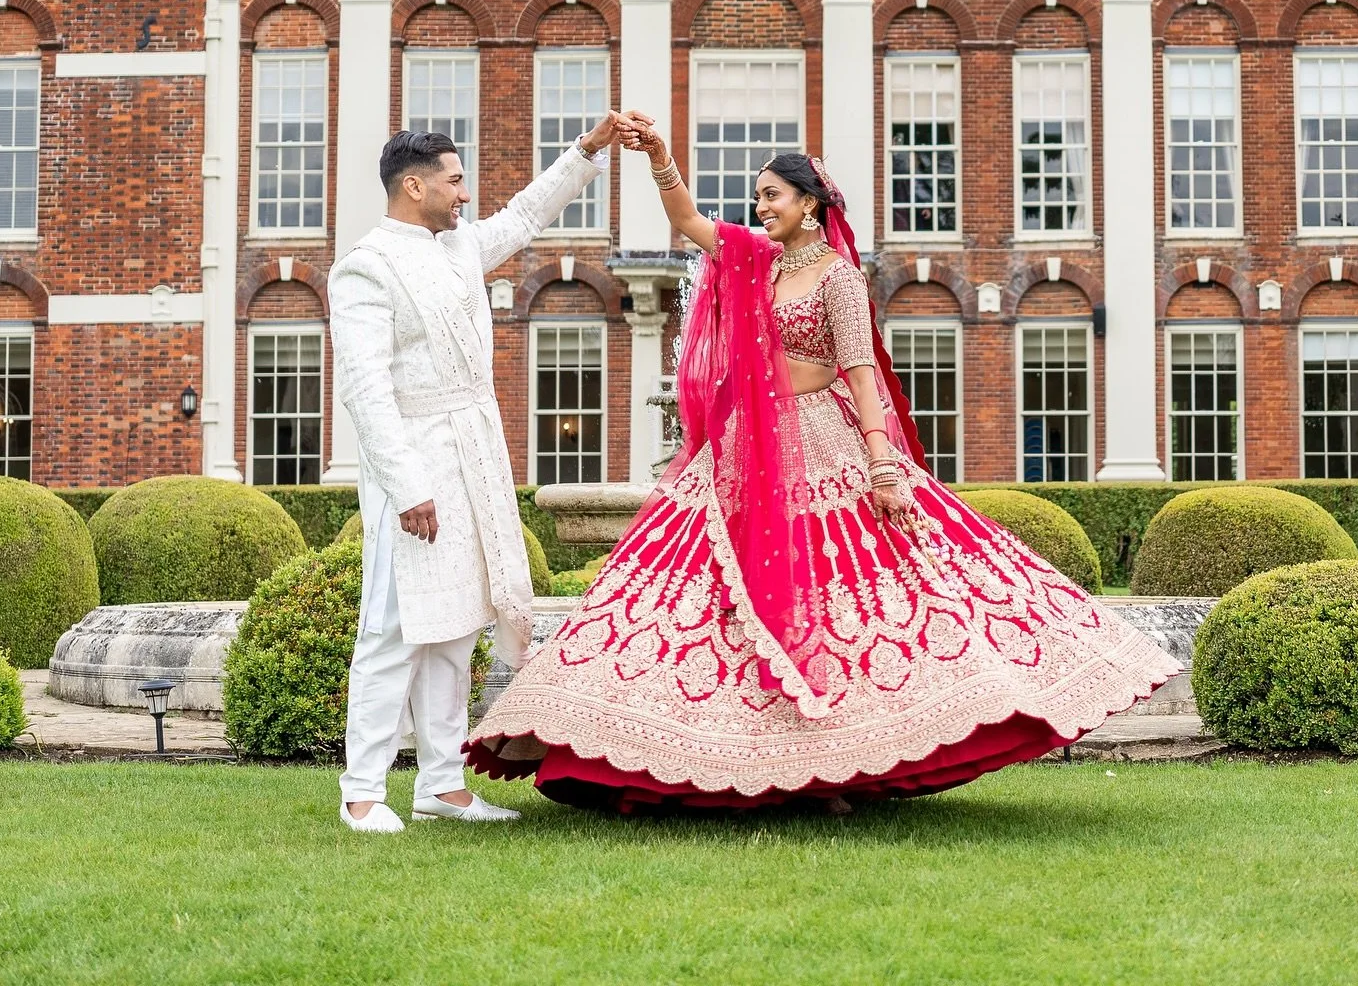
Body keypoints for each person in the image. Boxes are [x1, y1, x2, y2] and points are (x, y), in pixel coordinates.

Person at [467, 126, 1180, 812]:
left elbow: (861, 371)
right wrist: (659, 158)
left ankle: (840, 759)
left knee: (835, 595)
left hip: (822, 436)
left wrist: (883, 464)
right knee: (693, 585)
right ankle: (672, 748)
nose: (761, 207)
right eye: (757, 197)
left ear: (809, 204)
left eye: (772, 195)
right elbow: (686, 219)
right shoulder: (752, 258)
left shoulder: (837, 277)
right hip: (745, 445)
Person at [329, 116, 623, 832]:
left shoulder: (457, 246)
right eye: (455, 180)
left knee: (456, 625)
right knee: (395, 626)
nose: (465, 194)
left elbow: (524, 214)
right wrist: (408, 487)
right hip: (416, 464)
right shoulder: (365, 265)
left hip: (475, 456)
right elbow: (366, 389)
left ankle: (441, 785)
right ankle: (362, 792)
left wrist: (587, 150)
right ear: (415, 184)